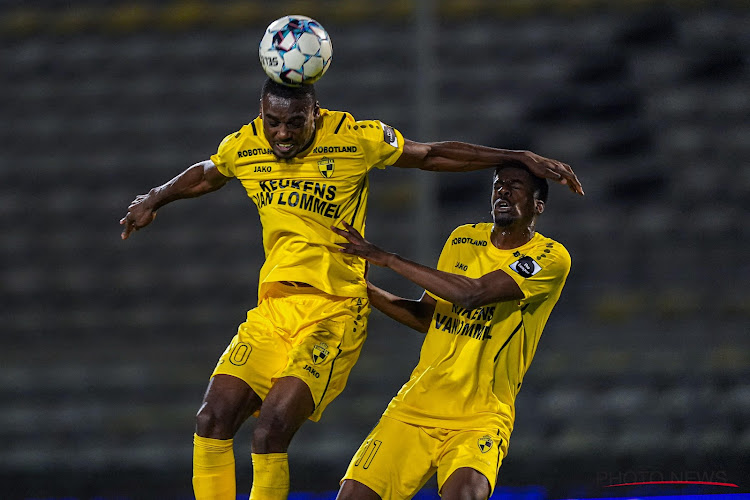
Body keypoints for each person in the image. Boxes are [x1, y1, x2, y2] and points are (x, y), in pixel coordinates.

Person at [119, 77, 582, 500]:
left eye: (293, 123)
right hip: (278, 311)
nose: (281, 133)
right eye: (272, 122)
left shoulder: (355, 139)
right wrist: (154, 198)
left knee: (271, 429)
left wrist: (511, 156)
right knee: (210, 419)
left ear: (314, 115)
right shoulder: (246, 146)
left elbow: (429, 156)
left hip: (336, 315)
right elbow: (209, 171)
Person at [332, 161, 572, 500]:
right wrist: (363, 289)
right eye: (498, 184)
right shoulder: (463, 238)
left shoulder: (550, 257)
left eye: (515, 186)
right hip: (415, 407)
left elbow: (472, 294)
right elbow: (428, 318)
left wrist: (387, 259)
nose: (502, 190)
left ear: (538, 205)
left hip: (479, 417)